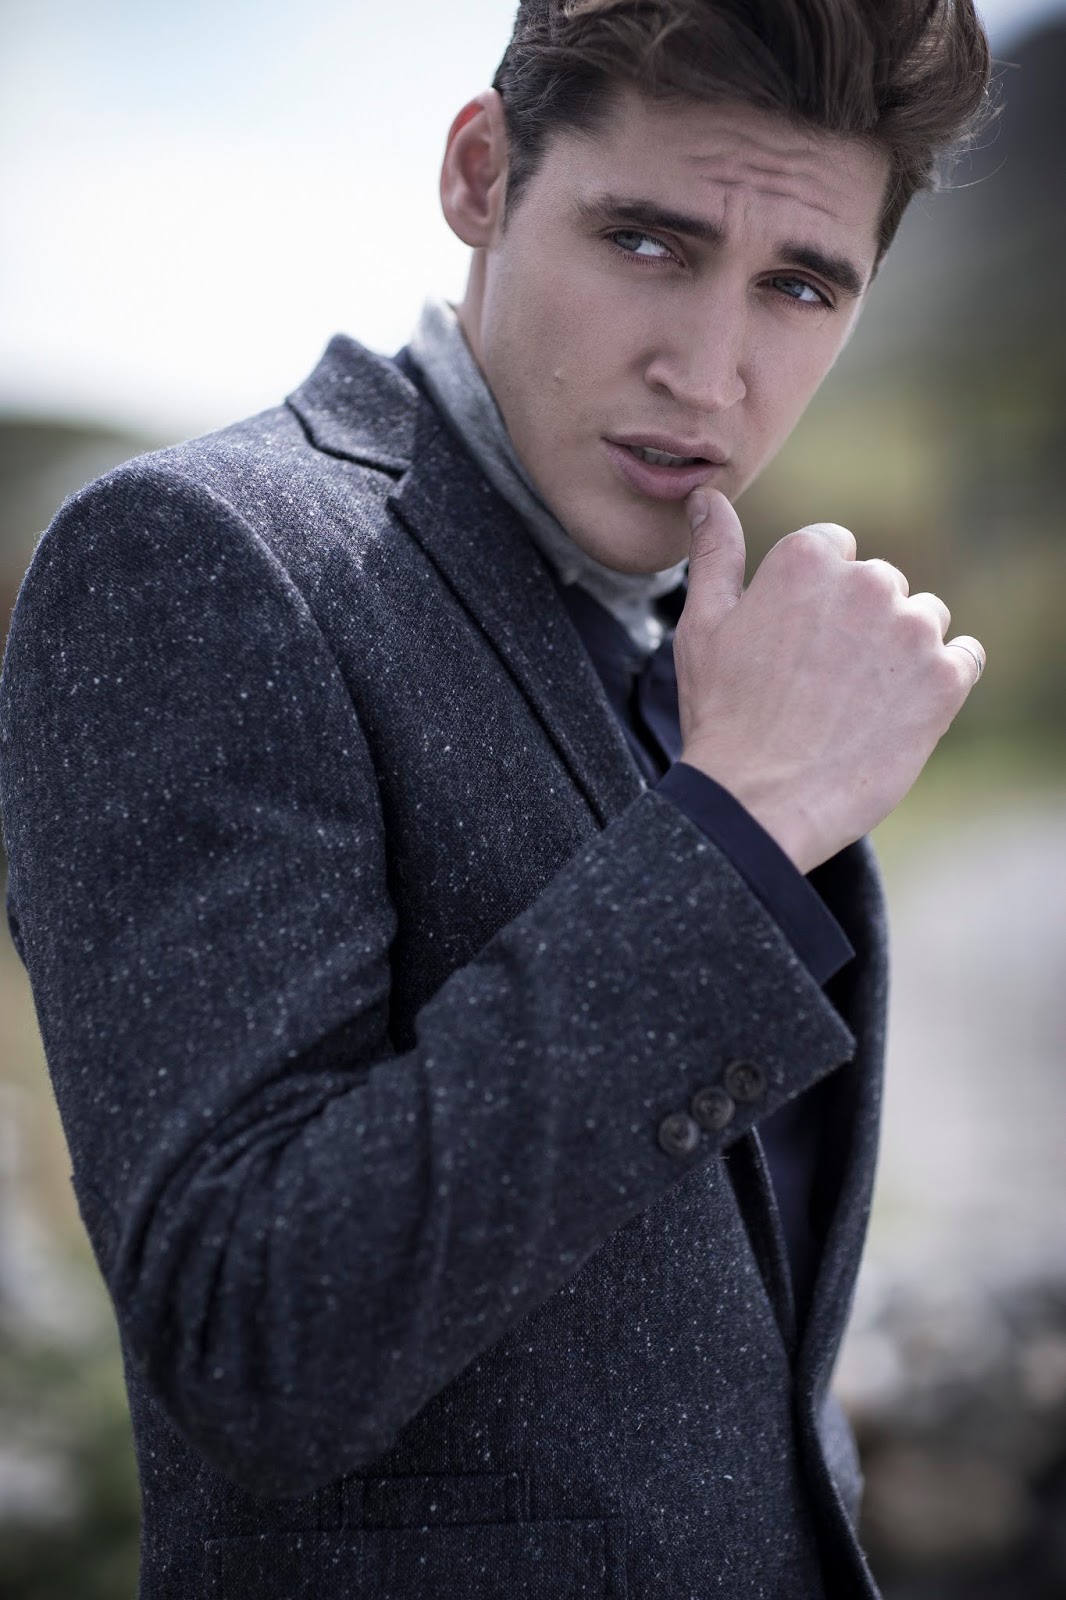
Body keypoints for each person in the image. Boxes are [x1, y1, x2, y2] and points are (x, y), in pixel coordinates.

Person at [0, 1, 993, 1595]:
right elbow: (248, 1337)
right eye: (646, 242)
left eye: (799, 286)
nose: (707, 373)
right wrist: (734, 840)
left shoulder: (716, 646)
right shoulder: (200, 561)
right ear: (481, 174)